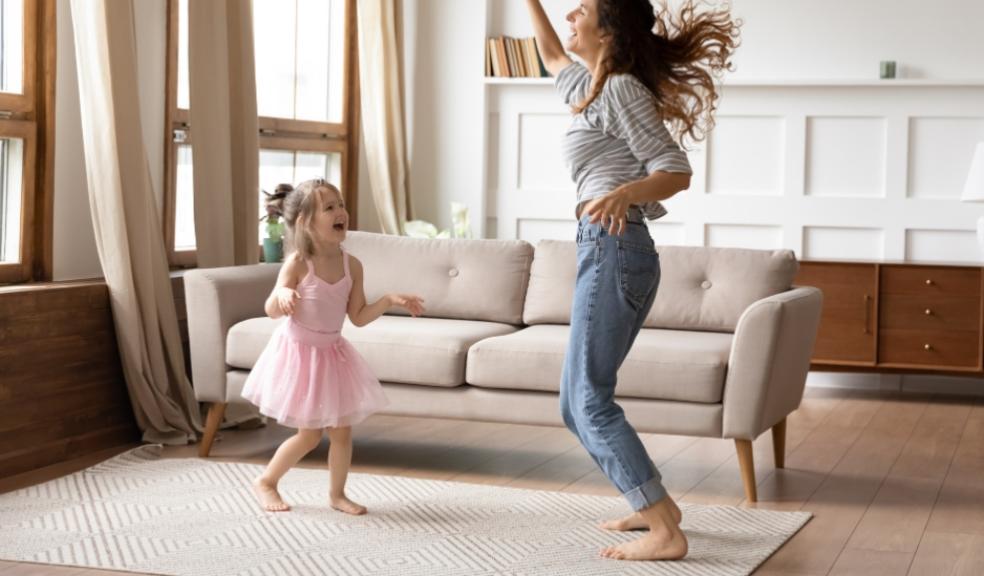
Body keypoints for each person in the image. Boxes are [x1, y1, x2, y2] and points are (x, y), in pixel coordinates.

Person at [524, 0, 740, 561]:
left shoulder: (620, 89)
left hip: (617, 246)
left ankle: (664, 529)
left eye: (583, 9)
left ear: (610, 29)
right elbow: (549, 54)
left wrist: (624, 192)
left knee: (588, 399)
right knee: (575, 403)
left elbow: (675, 170)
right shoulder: (588, 88)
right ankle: (655, 505)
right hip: (603, 248)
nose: (571, 13)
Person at [242, 179, 424, 515]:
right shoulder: (298, 262)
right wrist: (282, 296)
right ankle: (266, 481)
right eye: (330, 207)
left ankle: (337, 494)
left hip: (332, 354)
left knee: (342, 432)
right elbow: (270, 309)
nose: (341, 211)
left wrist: (388, 300)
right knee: (310, 436)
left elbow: (357, 316)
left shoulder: (351, 265)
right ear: (306, 222)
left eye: (341, 204)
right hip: (299, 354)